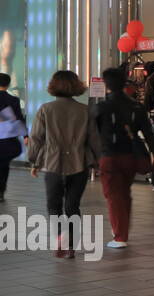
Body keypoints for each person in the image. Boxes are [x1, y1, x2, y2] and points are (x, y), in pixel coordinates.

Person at [27, 72, 100, 257]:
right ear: (76, 86)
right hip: (79, 163)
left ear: (53, 85)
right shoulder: (85, 110)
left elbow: (36, 138)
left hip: (52, 164)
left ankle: (61, 237)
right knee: (72, 206)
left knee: (54, 205)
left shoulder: (45, 109)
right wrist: (98, 162)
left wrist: (34, 161)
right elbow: (95, 139)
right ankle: (72, 245)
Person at [93, 67, 154, 248]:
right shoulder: (136, 106)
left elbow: (92, 134)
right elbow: (148, 132)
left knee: (114, 195)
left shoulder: (102, 107)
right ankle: (120, 229)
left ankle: (120, 236)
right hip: (132, 155)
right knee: (124, 193)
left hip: (109, 156)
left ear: (106, 84)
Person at [0, 72, 26, 200]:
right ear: (8, 84)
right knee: (4, 166)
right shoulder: (13, 100)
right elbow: (19, 119)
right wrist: (26, 135)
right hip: (7, 139)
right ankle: (1, 191)